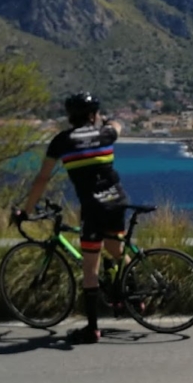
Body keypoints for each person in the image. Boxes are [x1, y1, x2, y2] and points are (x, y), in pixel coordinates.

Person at [16, 91, 128, 344]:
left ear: (69, 116)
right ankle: (133, 295)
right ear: (93, 115)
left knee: (90, 268)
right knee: (116, 249)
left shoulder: (61, 141)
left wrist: (27, 210)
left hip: (93, 208)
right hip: (117, 201)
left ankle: (92, 329)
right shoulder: (106, 133)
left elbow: (42, 179)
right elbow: (118, 125)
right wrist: (106, 120)